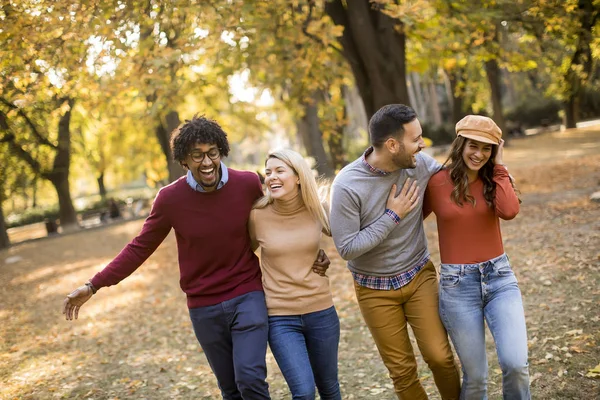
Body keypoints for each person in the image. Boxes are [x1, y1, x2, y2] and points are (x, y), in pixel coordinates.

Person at [62, 116, 330, 400]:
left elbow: (285, 207)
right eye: (197, 155)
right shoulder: (169, 199)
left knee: (250, 379)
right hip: (204, 306)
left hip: (247, 294)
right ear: (184, 161)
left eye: (212, 153)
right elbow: (140, 247)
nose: (207, 162)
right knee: (230, 389)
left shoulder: (248, 183)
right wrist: (94, 285)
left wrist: (311, 250)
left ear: (221, 151)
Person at [329, 104, 460, 400]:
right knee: (402, 372)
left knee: (440, 357)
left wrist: (500, 173)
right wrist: (392, 216)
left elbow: (456, 182)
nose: (422, 144)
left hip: (418, 277)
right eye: (416, 139)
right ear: (392, 145)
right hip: (373, 289)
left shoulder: (421, 165)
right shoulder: (348, 185)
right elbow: (347, 248)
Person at [423, 115, 530, 399]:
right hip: (457, 289)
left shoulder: (495, 179)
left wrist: (501, 166)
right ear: (460, 144)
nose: (479, 154)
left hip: (499, 280)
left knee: (516, 364)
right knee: (476, 378)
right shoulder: (435, 183)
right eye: (473, 145)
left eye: (487, 148)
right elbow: (409, 224)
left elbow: (509, 211)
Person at [249, 149, 341, 400]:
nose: (272, 177)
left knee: (330, 387)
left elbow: (349, 239)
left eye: (280, 171)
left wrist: (325, 257)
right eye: (268, 172)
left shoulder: (317, 209)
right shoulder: (258, 215)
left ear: (298, 176)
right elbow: (243, 258)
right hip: (280, 318)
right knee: (302, 392)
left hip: (322, 312)